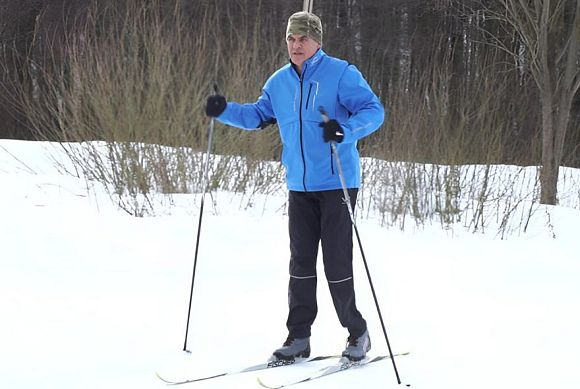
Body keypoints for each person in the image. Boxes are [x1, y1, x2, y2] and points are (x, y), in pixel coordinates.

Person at [205, 11, 384, 362]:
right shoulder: (278, 83)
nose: (296, 45)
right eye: (291, 38)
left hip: (337, 184)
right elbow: (257, 116)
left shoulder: (341, 74)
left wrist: (344, 130)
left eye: (303, 38)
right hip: (299, 185)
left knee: (336, 262)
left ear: (317, 40)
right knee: (300, 263)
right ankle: (298, 337)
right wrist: (224, 110)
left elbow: (373, 110)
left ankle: (357, 332)